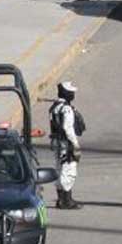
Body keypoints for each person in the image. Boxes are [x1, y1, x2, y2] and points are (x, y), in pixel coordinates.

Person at [49, 81, 85, 210]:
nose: (73, 94)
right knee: (69, 170)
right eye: (71, 92)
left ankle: (60, 199)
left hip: (56, 143)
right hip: (66, 143)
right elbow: (67, 128)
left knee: (59, 169)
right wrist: (75, 144)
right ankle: (66, 200)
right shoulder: (66, 109)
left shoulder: (54, 107)